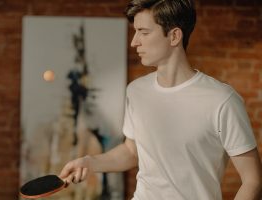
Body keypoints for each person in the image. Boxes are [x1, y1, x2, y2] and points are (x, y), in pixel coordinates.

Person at [59, 0, 262, 199]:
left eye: (144, 32)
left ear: (174, 36)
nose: (134, 41)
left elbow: (252, 180)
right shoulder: (136, 91)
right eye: (135, 31)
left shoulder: (222, 100)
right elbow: (132, 151)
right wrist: (89, 162)